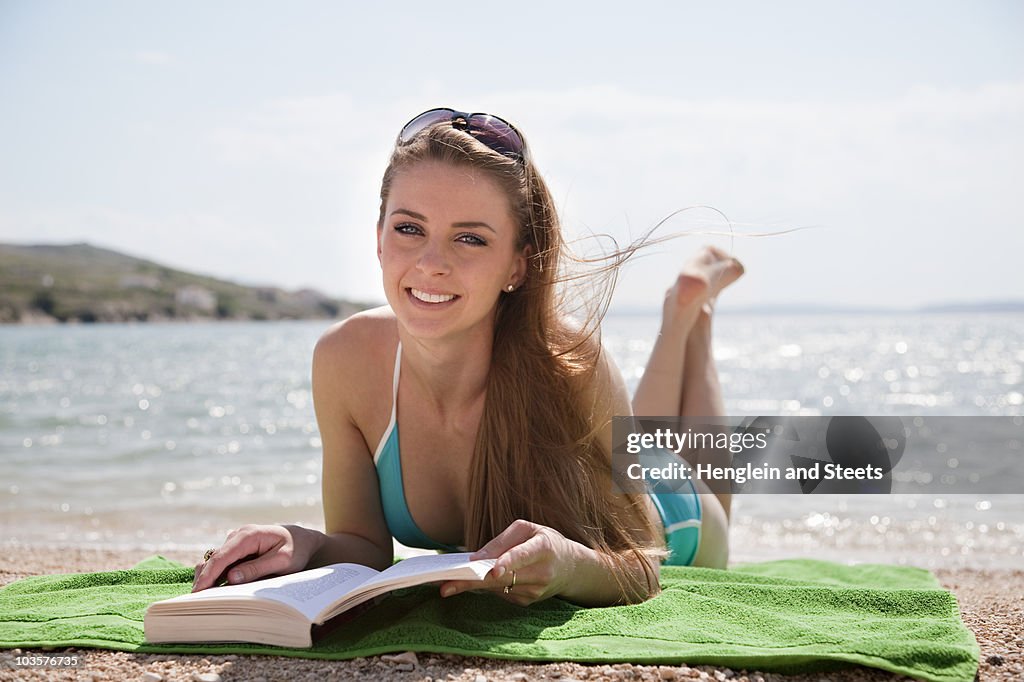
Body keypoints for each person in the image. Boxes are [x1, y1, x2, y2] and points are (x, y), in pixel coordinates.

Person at [192, 107, 744, 606]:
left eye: (470, 239)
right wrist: (303, 543)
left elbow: (645, 563)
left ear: (517, 266)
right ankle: (686, 314)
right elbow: (363, 546)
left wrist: (572, 566)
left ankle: (689, 318)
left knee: (691, 462)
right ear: (379, 239)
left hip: (676, 518)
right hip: (622, 460)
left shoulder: (569, 361)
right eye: (409, 228)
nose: (431, 263)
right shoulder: (345, 360)